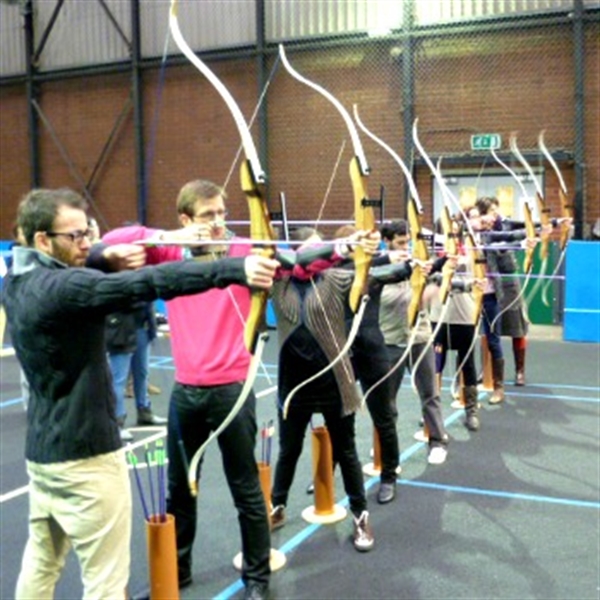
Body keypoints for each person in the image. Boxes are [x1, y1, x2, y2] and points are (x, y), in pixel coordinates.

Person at [2, 187, 277, 600]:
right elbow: (148, 281)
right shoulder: (67, 288)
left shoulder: (16, 278)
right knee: (107, 582)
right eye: (76, 237)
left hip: (44, 458)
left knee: (42, 563)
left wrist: (99, 256)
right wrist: (232, 269)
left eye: (87, 234)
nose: (87, 244)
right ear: (43, 239)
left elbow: (96, 256)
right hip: (87, 460)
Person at [101, 179, 279, 600]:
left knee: (246, 490)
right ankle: (176, 573)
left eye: (222, 213)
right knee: (178, 491)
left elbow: (300, 261)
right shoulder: (169, 253)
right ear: (185, 219)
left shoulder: (244, 250)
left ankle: (257, 579)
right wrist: (174, 237)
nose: (219, 223)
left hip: (233, 391)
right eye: (208, 216)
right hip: (186, 392)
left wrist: (345, 251)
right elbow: (113, 239)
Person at [268, 226, 384, 551]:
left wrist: (408, 263)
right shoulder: (279, 282)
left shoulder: (337, 279)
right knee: (288, 451)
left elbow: (376, 271)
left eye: (322, 251)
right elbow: (280, 258)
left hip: (335, 383)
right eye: (311, 252)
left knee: (346, 451)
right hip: (293, 385)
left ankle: (360, 516)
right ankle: (276, 507)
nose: (318, 258)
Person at [334, 224, 408, 504]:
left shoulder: (374, 273)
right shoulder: (335, 271)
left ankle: (389, 475)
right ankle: (329, 471)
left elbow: (399, 271)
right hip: (343, 351)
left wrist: (415, 264)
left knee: (384, 416)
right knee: (340, 417)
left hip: (372, 352)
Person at [378, 219, 451, 465]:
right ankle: (386, 446)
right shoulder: (379, 268)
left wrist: (432, 284)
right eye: (399, 243)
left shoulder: (418, 266)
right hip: (390, 340)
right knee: (387, 399)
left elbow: (426, 298)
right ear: (386, 242)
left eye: (407, 243)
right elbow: (386, 299)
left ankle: (438, 442)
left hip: (419, 337)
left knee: (430, 393)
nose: (405, 247)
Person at [429, 215, 484, 431]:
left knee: (467, 364)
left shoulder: (469, 253)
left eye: (455, 233)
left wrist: (471, 282)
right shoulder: (433, 257)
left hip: (464, 317)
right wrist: (460, 279)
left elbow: (476, 276)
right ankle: (432, 414)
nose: (452, 237)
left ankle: (471, 409)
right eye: (448, 233)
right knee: (435, 365)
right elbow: (433, 279)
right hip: (438, 317)